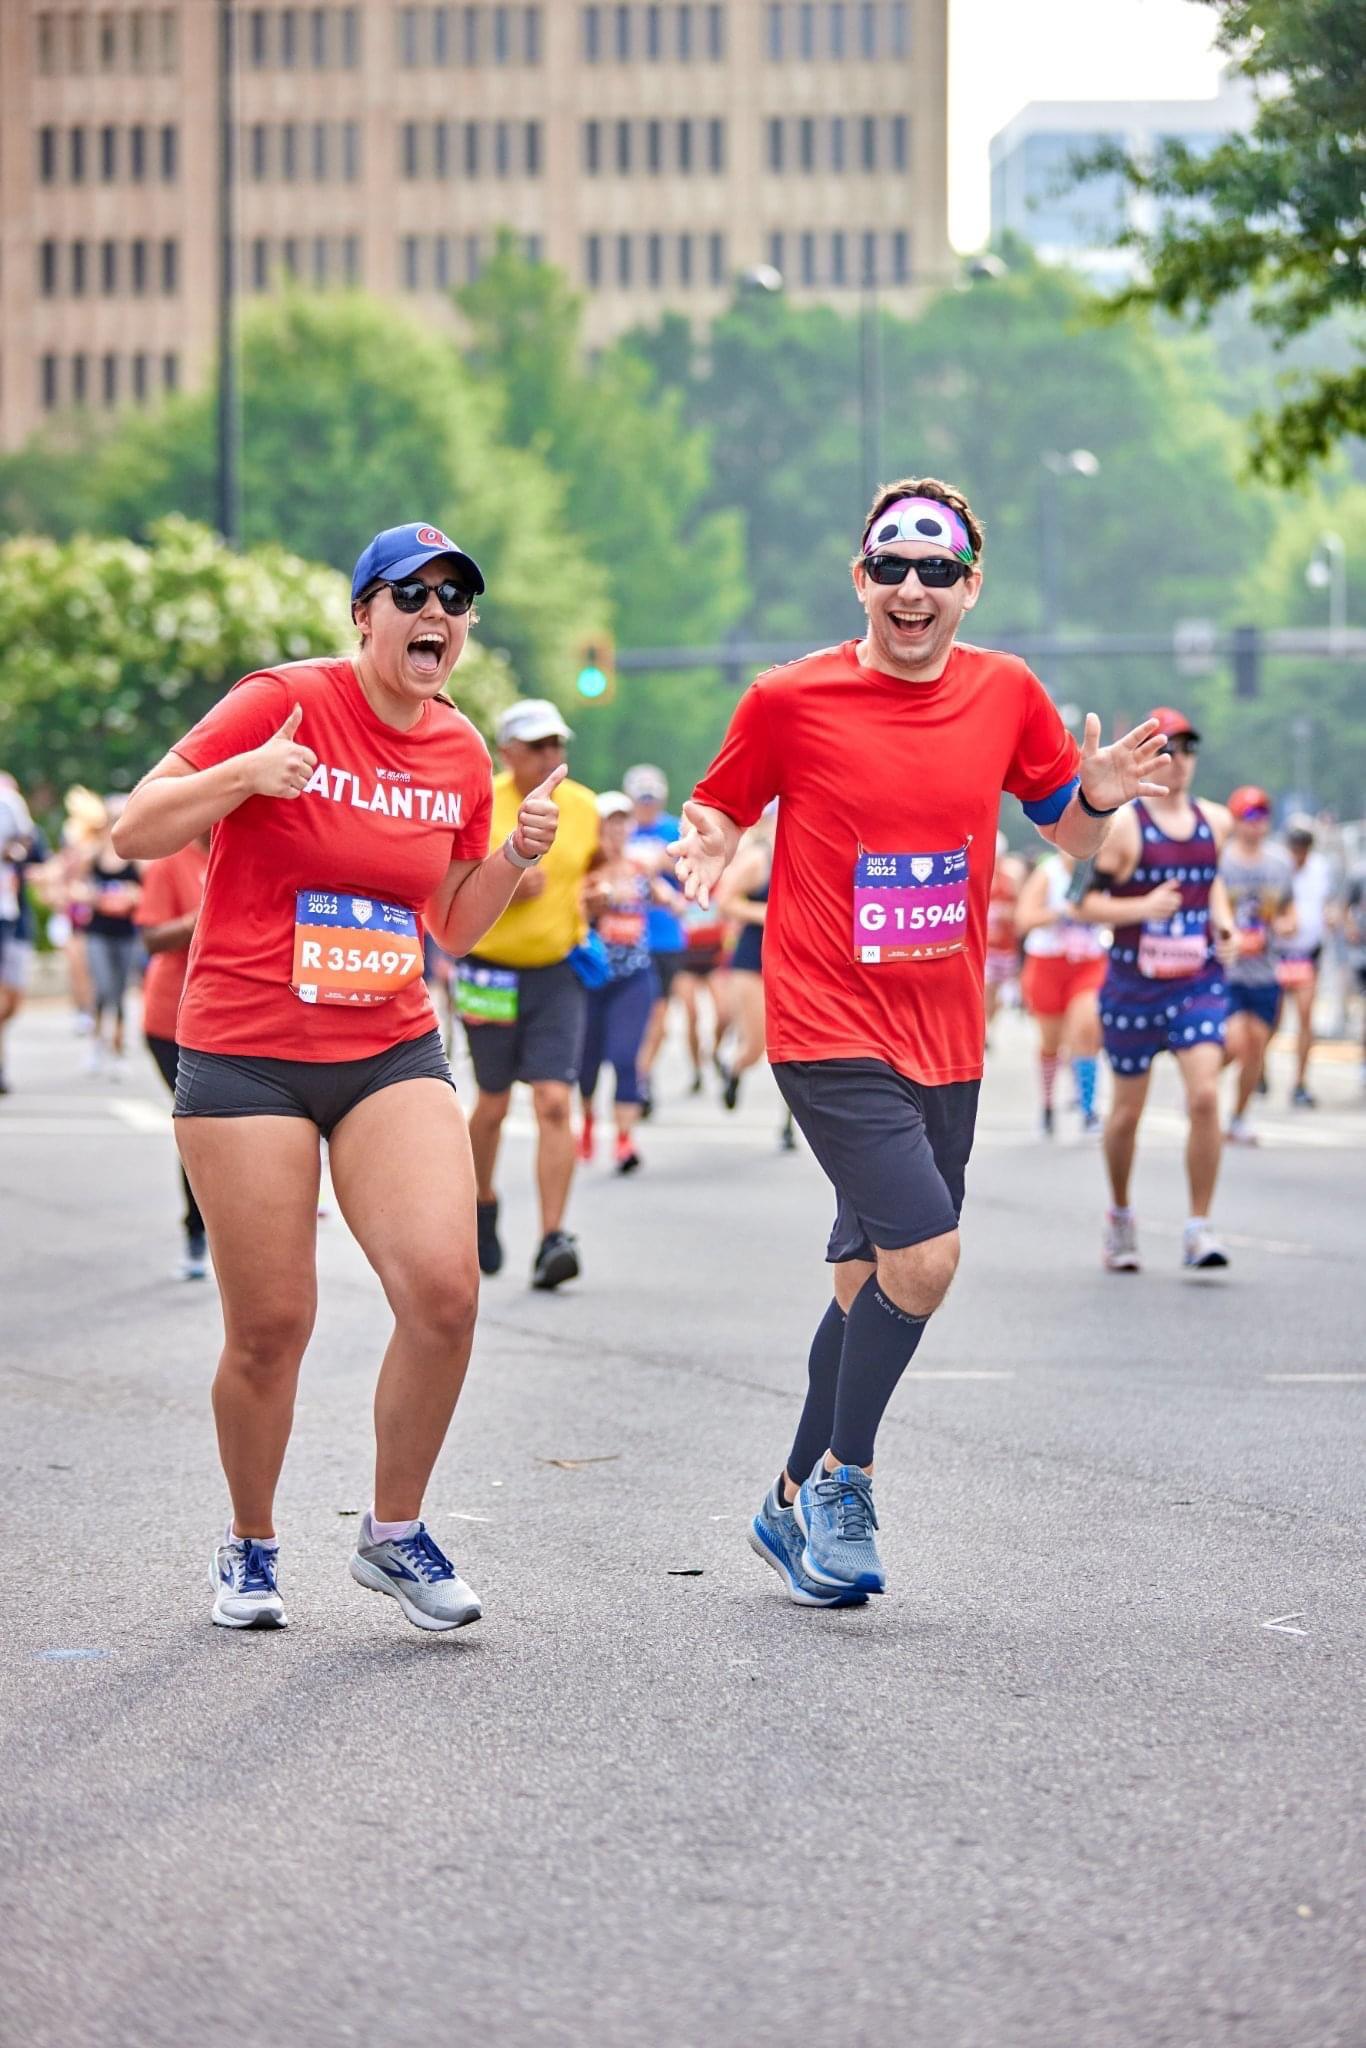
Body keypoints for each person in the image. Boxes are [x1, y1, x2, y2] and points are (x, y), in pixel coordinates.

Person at [673, 476, 1171, 1607]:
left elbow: (1076, 837)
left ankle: (786, 1494)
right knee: (928, 1256)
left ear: (967, 588)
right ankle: (846, 1485)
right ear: (860, 580)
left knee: (867, 1277)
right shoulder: (788, 698)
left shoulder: (1006, 692)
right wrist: (702, 840)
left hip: (945, 1033)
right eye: (889, 566)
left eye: (934, 570)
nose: (910, 587)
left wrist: (1091, 795)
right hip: (823, 1020)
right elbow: (722, 804)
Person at [112, 521, 565, 1633]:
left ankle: (393, 1530)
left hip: (387, 1045)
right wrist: (243, 773)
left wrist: (512, 855)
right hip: (248, 1050)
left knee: (445, 1293)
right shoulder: (282, 699)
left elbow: (450, 926)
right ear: (363, 613)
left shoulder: (460, 752)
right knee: (272, 1325)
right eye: (409, 593)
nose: (436, 613)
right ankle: (251, 1542)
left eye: (456, 598)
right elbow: (132, 828)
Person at [1077, 707, 1234, 1272]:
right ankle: (1120, 1216)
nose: (1183, 761)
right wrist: (1142, 907)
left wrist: (1222, 923)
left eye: (1190, 749)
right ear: (1149, 756)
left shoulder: (1215, 822)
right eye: (1172, 749)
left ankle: (1199, 1227)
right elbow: (1082, 903)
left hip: (1196, 981)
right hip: (1132, 986)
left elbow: (1210, 881)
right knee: (1125, 1115)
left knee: (1206, 1096)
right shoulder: (1123, 827)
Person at [457, 699, 600, 1289]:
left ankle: (552, 1238)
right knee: (491, 1104)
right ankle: (482, 1203)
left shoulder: (584, 807)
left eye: (557, 745)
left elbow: (598, 865)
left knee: (553, 1102)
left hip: (556, 972)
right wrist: (503, 883)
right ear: (506, 752)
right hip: (489, 970)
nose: (550, 757)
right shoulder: (481, 801)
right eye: (537, 746)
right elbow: (451, 883)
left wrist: (604, 888)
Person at [578, 790, 668, 1173]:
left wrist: (674, 899)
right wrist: (594, 899)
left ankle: (624, 1140)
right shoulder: (584, 870)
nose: (616, 831)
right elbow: (572, 907)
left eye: (622, 823)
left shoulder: (639, 867)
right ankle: (587, 1123)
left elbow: (665, 895)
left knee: (626, 1056)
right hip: (592, 976)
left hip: (634, 975)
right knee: (587, 1062)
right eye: (609, 823)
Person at [134, 835, 211, 1278]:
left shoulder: (249, 848)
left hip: (228, 1020)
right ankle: (196, 1231)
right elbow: (150, 938)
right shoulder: (171, 863)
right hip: (171, 1022)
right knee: (200, 1124)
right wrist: (196, 921)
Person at [1220, 786, 1296, 1145]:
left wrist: (1286, 924)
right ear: (1235, 821)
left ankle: (1238, 1116)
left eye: (1262, 817)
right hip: (1227, 969)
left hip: (1265, 970)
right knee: (1234, 1042)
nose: (1257, 824)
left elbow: (1287, 909)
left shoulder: (1278, 864)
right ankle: (1200, 1082)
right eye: (1249, 817)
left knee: (1255, 1047)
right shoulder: (1221, 862)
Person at [1015, 847, 1108, 1135]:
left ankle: (1089, 1110)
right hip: (1048, 964)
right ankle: (1047, 1106)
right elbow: (1023, 919)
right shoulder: (1049, 872)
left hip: (1089, 964)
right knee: (1051, 1043)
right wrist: (1060, 913)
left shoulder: (1104, 871)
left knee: (1086, 1030)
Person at [623, 764, 685, 1117]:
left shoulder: (672, 828)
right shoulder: (621, 827)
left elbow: (686, 870)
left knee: (659, 1010)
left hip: (664, 936)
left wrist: (661, 861)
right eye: (641, 800)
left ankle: (642, 1074)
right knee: (633, 1010)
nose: (646, 806)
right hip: (627, 934)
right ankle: (631, 1068)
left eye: (652, 800)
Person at [713, 807, 777, 1113]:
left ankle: (789, 1123)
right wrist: (767, 915)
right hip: (752, 959)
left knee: (800, 1049)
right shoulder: (758, 858)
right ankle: (734, 1067)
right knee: (755, 1048)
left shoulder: (805, 856)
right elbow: (724, 901)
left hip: (791, 962)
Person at [1277, 816, 1337, 1108]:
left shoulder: (1321, 870)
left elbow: (1328, 903)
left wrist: (1331, 917)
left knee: (1305, 1017)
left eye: (1305, 846)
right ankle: (1258, 1070)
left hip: (1306, 953)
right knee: (1270, 1021)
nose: (1300, 852)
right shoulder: (1277, 868)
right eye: (1296, 846)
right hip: (1278, 953)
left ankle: (1300, 1081)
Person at [81, 798, 142, 1077]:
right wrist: (95, 897)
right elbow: (76, 887)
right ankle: (96, 1042)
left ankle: (118, 1048)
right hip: (98, 931)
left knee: (119, 992)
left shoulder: (137, 859)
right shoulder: (93, 856)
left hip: (126, 932)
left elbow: (147, 893)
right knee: (102, 987)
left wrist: (131, 896)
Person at [0, 776, 49, 1095]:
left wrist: (13, 853)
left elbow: (32, 849)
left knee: (12, 997)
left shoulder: (11, 808)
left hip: (12, 916)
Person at [984, 831, 1025, 1043]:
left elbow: (1020, 909)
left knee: (997, 994)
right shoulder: (978, 874)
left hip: (1006, 945)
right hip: (985, 946)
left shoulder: (1011, 877)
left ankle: (988, 1026)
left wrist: (1005, 913)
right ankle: (984, 1031)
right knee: (987, 988)